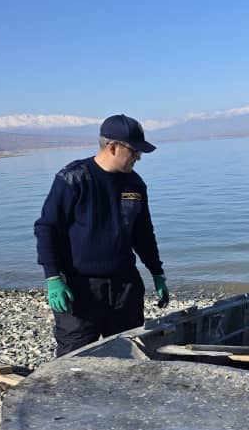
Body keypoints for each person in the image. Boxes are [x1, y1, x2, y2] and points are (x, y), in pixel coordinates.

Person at [34, 114, 170, 357]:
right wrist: (53, 277)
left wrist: (157, 272)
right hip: (80, 287)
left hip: (125, 287)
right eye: (134, 151)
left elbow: (143, 234)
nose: (138, 157)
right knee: (75, 358)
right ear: (113, 147)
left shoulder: (135, 185)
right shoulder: (74, 178)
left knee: (128, 355)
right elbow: (47, 228)